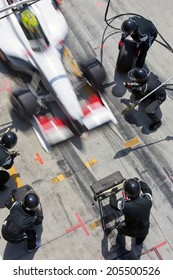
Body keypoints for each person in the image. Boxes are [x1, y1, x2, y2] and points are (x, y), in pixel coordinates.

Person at [110, 178, 152, 245]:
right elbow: (147, 189)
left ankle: (120, 230)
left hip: (131, 231)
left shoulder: (126, 206)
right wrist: (139, 181)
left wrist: (113, 193)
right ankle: (139, 242)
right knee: (141, 237)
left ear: (126, 194)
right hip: (144, 229)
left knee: (120, 226)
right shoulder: (148, 200)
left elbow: (113, 203)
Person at [2, 185, 43, 252]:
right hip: (14, 238)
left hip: (4, 230)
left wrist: (12, 194)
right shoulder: (32, 218)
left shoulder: (15, 205)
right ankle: (31, 247)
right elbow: (38, 221)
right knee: (32, 234)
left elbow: (7, 203)